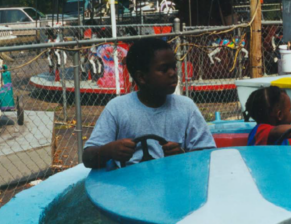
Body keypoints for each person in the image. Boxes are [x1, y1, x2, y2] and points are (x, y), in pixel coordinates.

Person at [83, 38, 216, 169]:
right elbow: (87, 158)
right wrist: (109, 150)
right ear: (141, 77)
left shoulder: (187, 107)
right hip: (130, 186)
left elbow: (207, 154)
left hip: (174, 183)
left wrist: (182, 155)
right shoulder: (117, 108)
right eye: (164, 69)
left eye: (174, 67)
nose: (173, 73)